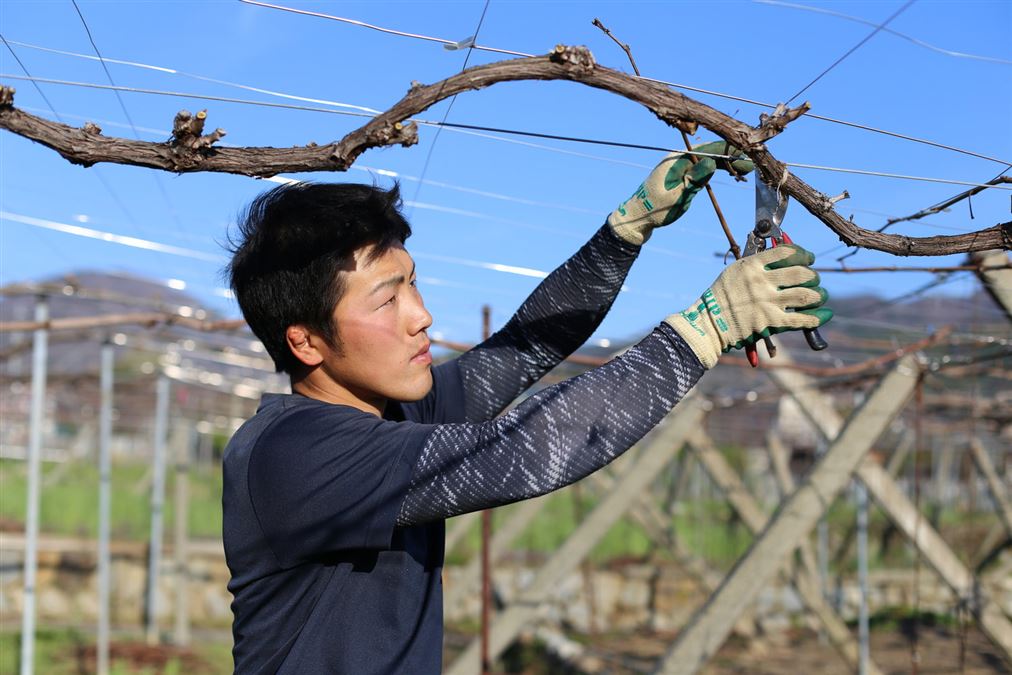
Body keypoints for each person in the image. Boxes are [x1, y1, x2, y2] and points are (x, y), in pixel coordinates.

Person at [221, 142, 832, 674]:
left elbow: (523, 348)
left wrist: (627, 229)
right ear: (305, 341)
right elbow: (528, 449)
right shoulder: (295, 454)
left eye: (412, 282)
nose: (421, 315)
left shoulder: (395, 412)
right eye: (387, 301)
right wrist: (708, 327)